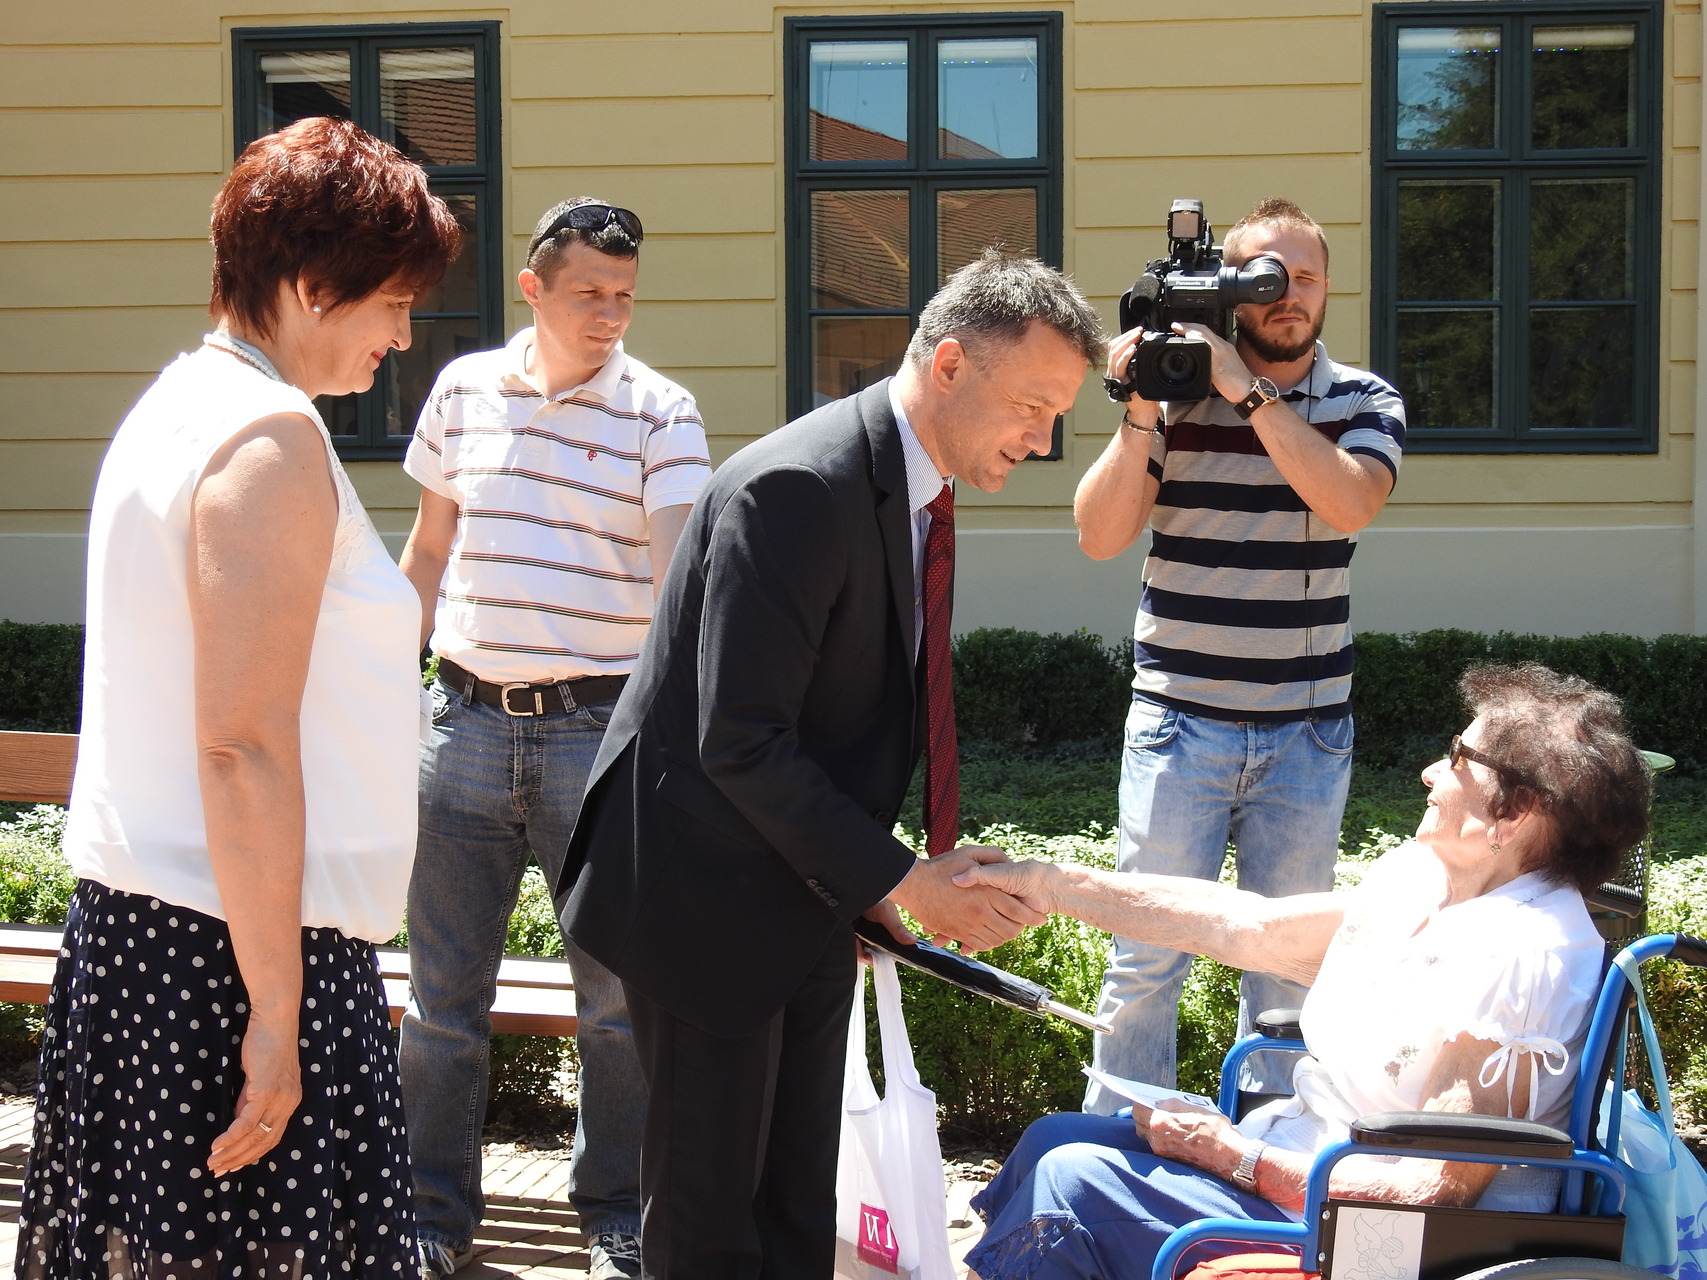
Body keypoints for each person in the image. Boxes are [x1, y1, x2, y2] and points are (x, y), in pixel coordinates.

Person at [556, 250, 1105, 1279]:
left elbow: (836, 718)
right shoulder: (799, 487)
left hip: (798, 887)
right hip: (701, 898)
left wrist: (869, 885)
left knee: (797, 1207)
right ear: (950, 364)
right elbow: (740, 738)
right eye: (1032, 407)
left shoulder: (908, 484)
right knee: (713, 1227)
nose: (1041, 440)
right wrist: (899, 878)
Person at [16, 117, 460, 1280]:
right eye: (393, 303)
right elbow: (241, 745)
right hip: (237, 952)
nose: (402, 336)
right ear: (314, 285)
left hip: (167, 938)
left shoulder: (179, 404)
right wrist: (275, 1009)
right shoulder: (265, 437)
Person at [951, 663, 1651, 1280]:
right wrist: (1047, 885)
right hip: (1309, 1161)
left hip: (1369, 1235)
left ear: (1516, 811)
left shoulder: (1523, 950)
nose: (1431, 772)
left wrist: (1233, 1158)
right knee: (1055, 1137)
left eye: (1458, 757)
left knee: (1074, 1180)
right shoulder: (1428, 881)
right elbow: (1247, 927)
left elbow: (1431, 1196)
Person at [397, 197, 709, 1280]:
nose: (610, 314)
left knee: (618, 1006)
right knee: (441, 1002)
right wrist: (377, 679)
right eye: (589, 293)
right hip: (462, 724)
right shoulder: (461, 391)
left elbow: (679, 588)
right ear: (532, 288)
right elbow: (427, 552)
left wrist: (675, 746)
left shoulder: (661, 412)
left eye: (625, 295)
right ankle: (430, 1218)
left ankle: (616, 1213)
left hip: (596, 735)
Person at [1074, 197, 1408, 1102]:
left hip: (1305, 731)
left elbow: (1349, 501)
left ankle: (1270, 1154)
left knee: (1286, 974)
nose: (1284, 296)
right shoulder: (1175, 397)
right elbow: (1100, 536)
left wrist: (1247, 393)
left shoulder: (1362, 399)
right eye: (1263, 279)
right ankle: (1118, 1151)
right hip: (1178, 724)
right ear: (1228, 289)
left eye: (1302, 277)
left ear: (1327, 288)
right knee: (1145, 957)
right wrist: (1141, 405)